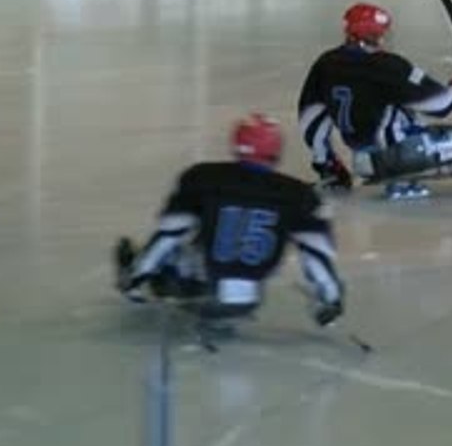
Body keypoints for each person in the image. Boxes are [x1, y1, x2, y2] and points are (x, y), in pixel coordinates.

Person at [113, 113, 345, 330]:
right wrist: (330, 299)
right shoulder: (300, 194)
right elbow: (316, 252)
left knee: (169, 253)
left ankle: (136, 272)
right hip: (251, 297)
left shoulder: (202, 177)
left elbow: (170, 233)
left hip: (199, 288)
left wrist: (136, 278)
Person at [297, 2, 452, 200]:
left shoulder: (325, 64)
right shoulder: (388, 65)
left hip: (363, 161)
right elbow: (440, 105)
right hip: (398, 155)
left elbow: (311, 121)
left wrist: (327, 165)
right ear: (374, 35)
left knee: (439, 136)